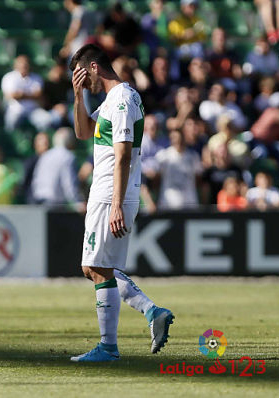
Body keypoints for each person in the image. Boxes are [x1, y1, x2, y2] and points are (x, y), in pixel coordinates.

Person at [68, 44, 173, 362]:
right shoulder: (111, 101)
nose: (86, 86)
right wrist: (78, 97)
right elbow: (84, 132)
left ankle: (109, 347)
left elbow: (124, 153)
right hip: (105, 194)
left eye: (85, 81)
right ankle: (152, 312)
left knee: (97, 268)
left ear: (94, 68)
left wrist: (116, 204)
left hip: (111, 195)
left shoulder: (124, 99)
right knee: (96, 267)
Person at [31, 127, 83, 209]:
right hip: (54, 206)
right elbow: (69, 184)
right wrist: (78, 202)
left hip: (38, 201)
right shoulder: (68, 156)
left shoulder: (45, 155)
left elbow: (36, 181)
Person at [154, 129, 203, 210]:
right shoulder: (163, 156)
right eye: (175, 138)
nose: (178, 142)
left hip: (189, 203)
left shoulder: (193, 156)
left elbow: (198, 176)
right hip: (168, 204)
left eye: (180, 139)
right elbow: (155, 177)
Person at [1, 55, 52, 131]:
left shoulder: (36, 77)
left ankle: (40, 140)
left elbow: (39, 94)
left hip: (33, 110)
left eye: (26, 64)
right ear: (16, 65)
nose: (24, 66)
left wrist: (22, 95)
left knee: (47, 120)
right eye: (21, 63)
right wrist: (31, 95)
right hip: (15, 110)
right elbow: (12, 95)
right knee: (10, 124)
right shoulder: (9, 77)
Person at [23, 132, 50, 204]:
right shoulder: (31, 161)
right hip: (34, 199)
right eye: (41, 140)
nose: (45, 142)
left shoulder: (54, 160)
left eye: (46, 141)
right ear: (35, 144)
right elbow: (26, 181)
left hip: (50, 199)